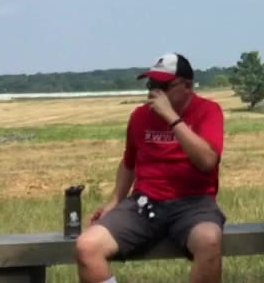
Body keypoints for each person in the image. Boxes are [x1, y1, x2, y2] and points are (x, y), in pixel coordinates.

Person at [76, 53, 226, 283]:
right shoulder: (139, 116)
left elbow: (207, 162)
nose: (154, 92)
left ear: (187, 85)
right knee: (87, 247)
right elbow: (129, 163)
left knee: (210, 240)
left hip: (194, 203)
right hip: (145, 203)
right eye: (151, 84)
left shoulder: (208, 111)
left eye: (163, 86)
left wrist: (172, 119)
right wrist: (115, 201)